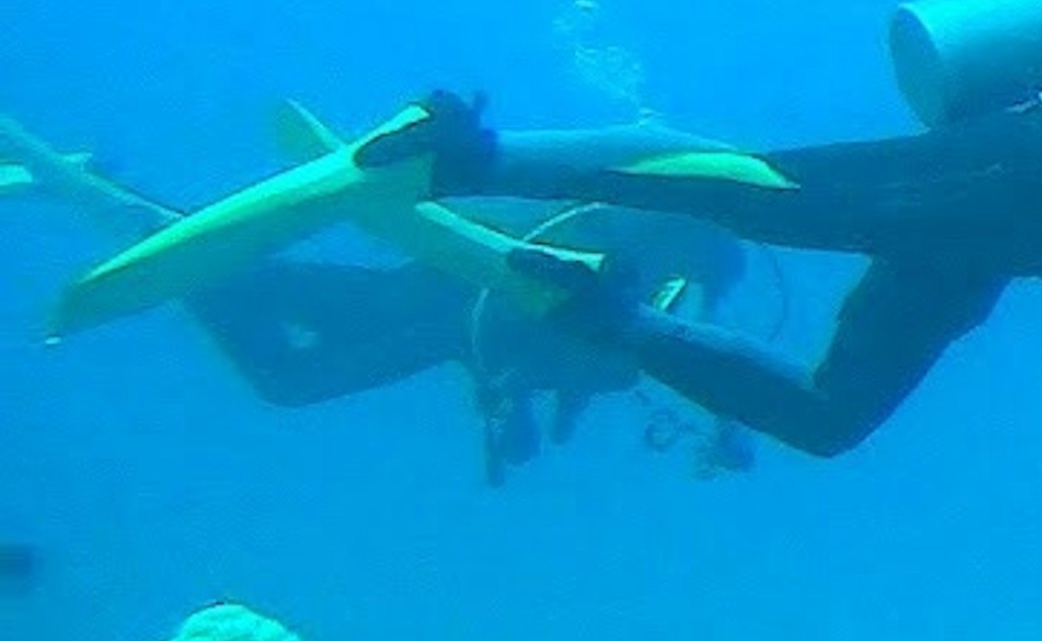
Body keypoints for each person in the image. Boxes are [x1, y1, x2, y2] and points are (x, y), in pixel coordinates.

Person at [49, 0, 1042, 460]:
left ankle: (595, 309)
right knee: (764, 194)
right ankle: (466, 148)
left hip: (1016, 238)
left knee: (833, 417)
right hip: (1024, 181)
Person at [2, 112, 760, 483]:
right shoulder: (630, 226)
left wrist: (726, 426)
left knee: (274, 350)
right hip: (431, 298)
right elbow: (547, 289)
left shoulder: (702, 261)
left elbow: (698, 350)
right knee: (275, 350)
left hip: (438, 321)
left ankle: (115, 205)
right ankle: (102, 194)